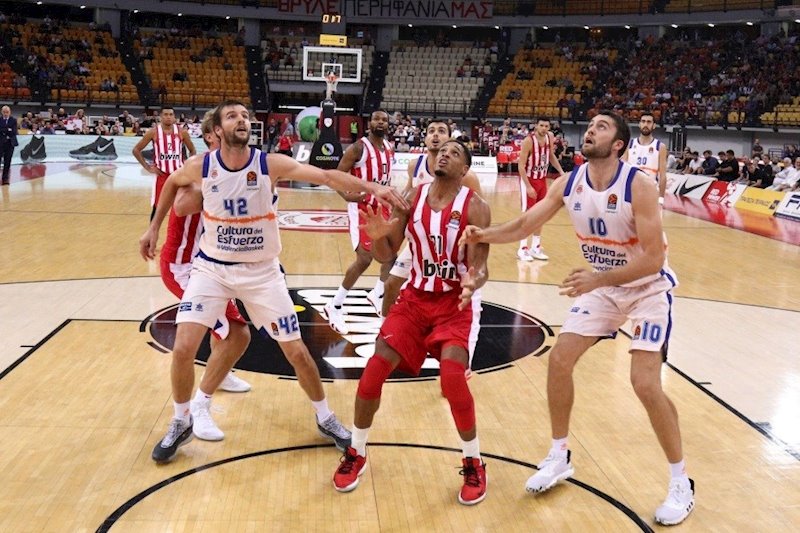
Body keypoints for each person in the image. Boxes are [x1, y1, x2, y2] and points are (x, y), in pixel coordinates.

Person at [460, 111, 695, 526]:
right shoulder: (568, 181)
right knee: (559, 360)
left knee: (644, 384)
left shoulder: (637, 185)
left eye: (602, 127)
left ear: (619, 144)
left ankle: (681, 482)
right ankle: (558, 455)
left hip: (647, 291)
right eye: (590, 125)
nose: (591, 130)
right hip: (602, 288)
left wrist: (597, 278)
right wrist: (485, 235)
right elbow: (526, 223)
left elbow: (655, 259)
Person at [140, 100, 407, 464]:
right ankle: (180, 421)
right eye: (232, 116)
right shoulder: (202, 165)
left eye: (245, 116)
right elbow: (172, 181)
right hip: (212, 269)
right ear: (217, 130)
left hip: (261, 272)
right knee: (185, 347)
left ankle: (326, 418)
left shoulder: (269, 164)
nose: (241, 120)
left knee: (297, 353)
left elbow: (327, 177)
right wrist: (152, 227)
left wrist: (372, 188)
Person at [332, 140, 491, 506]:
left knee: (452, 380)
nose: (445, 154)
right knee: (372, 371)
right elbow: (390, 256)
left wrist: (473, 281)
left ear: (465, 169)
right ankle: (357, 452)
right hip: (415, 300)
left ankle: (474, 461)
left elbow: (481, 266)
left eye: (455, 152)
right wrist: (379, 239)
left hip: (453, 303)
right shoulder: (414, 198)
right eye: (441, 150)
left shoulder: (476, 207)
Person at [139, 109, 253, 444]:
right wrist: (153, 228)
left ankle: (221, 373)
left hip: (208, 263)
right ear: (210, 136)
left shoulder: (234, 164)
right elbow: (182, 206)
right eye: (224, 130)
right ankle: (192, 413)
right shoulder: (199, 169)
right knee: (234, 332)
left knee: (229, 325)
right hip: (181, 265)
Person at [382, 121, 482, 323]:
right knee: (391, 283)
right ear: (425, 138)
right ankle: (385, 328)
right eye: (431, 131)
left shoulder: (466, 175)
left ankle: (450, 328)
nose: (435, 135)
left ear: (449, 138)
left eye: (441, 131)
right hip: (421, 239)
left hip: (451, 243)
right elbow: (408, 194)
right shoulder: (414, 165)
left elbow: (478, 211)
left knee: (448, 291)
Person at [325, 110, 394, 333]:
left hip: (382, 208)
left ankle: (377, 293)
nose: (380, 122)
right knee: (364, 259)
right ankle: (334, 305)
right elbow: (336, 176)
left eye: (384, 119)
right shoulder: (358, 148)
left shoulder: (390, 148)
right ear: (369, 123)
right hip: (362, 209)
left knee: (390, 255)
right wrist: (346, 195)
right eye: (376, 119)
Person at [133, 106, 197, 220]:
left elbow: (192, 150)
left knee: (183, 206)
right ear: (161, 117)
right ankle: (152, 233)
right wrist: (148, 168)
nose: (168, 117)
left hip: (179, 175)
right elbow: (136, 150)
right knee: (158, 207)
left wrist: (188, 167)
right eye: (166, 114)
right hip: (162, 175)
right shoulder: (153, 132)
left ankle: (182, 234)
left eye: (171, 115)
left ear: (174, 117)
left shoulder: (182, 132)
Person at [516, 117, 564, 261]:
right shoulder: (528, 141)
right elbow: (520, 166)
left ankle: (535, 247)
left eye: (546, 126)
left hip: (542, 180)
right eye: (541, 125)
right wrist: (528, 186)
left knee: (541, 215)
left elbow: (551, 156)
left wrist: (561, 172)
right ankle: (522, 248)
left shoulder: (550, 137)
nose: (544, 128)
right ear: (536, 126)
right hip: (529, 180)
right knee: (527, 215)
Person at [622, 112, 668, 203]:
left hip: (650, 191)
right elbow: (622, 170)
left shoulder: (660, 146)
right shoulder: (630, 144)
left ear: (654, 125)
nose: (645, 124)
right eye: (643, 121)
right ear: (639, 124)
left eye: (648, 122)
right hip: (631, 191)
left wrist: (661, 199)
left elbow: (663, 176)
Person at [0, 106, 18, 185]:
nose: (6, 114)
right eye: (4, 112)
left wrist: (5, 130)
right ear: (2, 112)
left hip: (10, 143)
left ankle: (5, 179)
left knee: (7, 161)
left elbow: (13, 132)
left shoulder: (13, 120)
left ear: (10, 112)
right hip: (0, 143)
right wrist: (7, 129)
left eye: (7, 112)